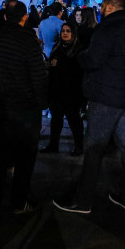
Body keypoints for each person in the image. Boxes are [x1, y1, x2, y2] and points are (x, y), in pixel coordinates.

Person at [54, 0, 125, 215]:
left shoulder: (106, 29)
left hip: (105, 97)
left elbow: (93, 60)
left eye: (103, 5)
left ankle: (83, 200)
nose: (101, 9)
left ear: (111, 7)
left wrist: (81, 56)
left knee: (93, 148)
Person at [0, 0, 48, 217]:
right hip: (23, 108)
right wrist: (42, 102)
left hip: (0, 106)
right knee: (25, 158)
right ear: (24, 18)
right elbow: (38, 76)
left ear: (5, 17)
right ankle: (18, 202)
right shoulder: (28, 40)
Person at [42, 22, 85, 156]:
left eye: (68, 31)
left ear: (73, 34)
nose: (65, 33)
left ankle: (79, 146)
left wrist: (59, 64)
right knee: (56, 120)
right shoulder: (57, 47)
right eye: (63, 31)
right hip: (56, 90)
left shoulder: (78, 50)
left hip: (72, 92)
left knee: (74, 120)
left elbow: (78, 71)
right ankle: (53, 144)